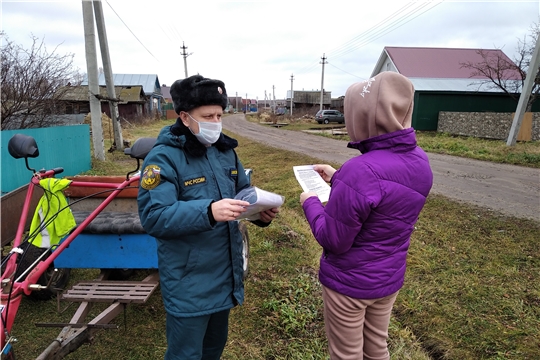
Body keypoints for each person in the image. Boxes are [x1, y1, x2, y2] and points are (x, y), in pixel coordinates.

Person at [137, 74, 279, 360]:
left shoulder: (225, 152)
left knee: (213, 350)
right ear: (185, 117)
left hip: (224, 277)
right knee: (185, 355)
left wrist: (259, 213)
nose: (215, 122)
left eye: (219, 115)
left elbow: (241, 195)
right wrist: (208, 211)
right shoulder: (163, 158)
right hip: (189, 281)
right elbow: (154, 216)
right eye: (208, 116)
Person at [299, 71, 433, 360]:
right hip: (388, 278)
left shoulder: (360, 171)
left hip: (349, 284)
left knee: (346, 354)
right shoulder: (420, 162)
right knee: (376, 348)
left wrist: (310, 202)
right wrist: (338, 179)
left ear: (361, 117)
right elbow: (385, 199)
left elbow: (334, 240)